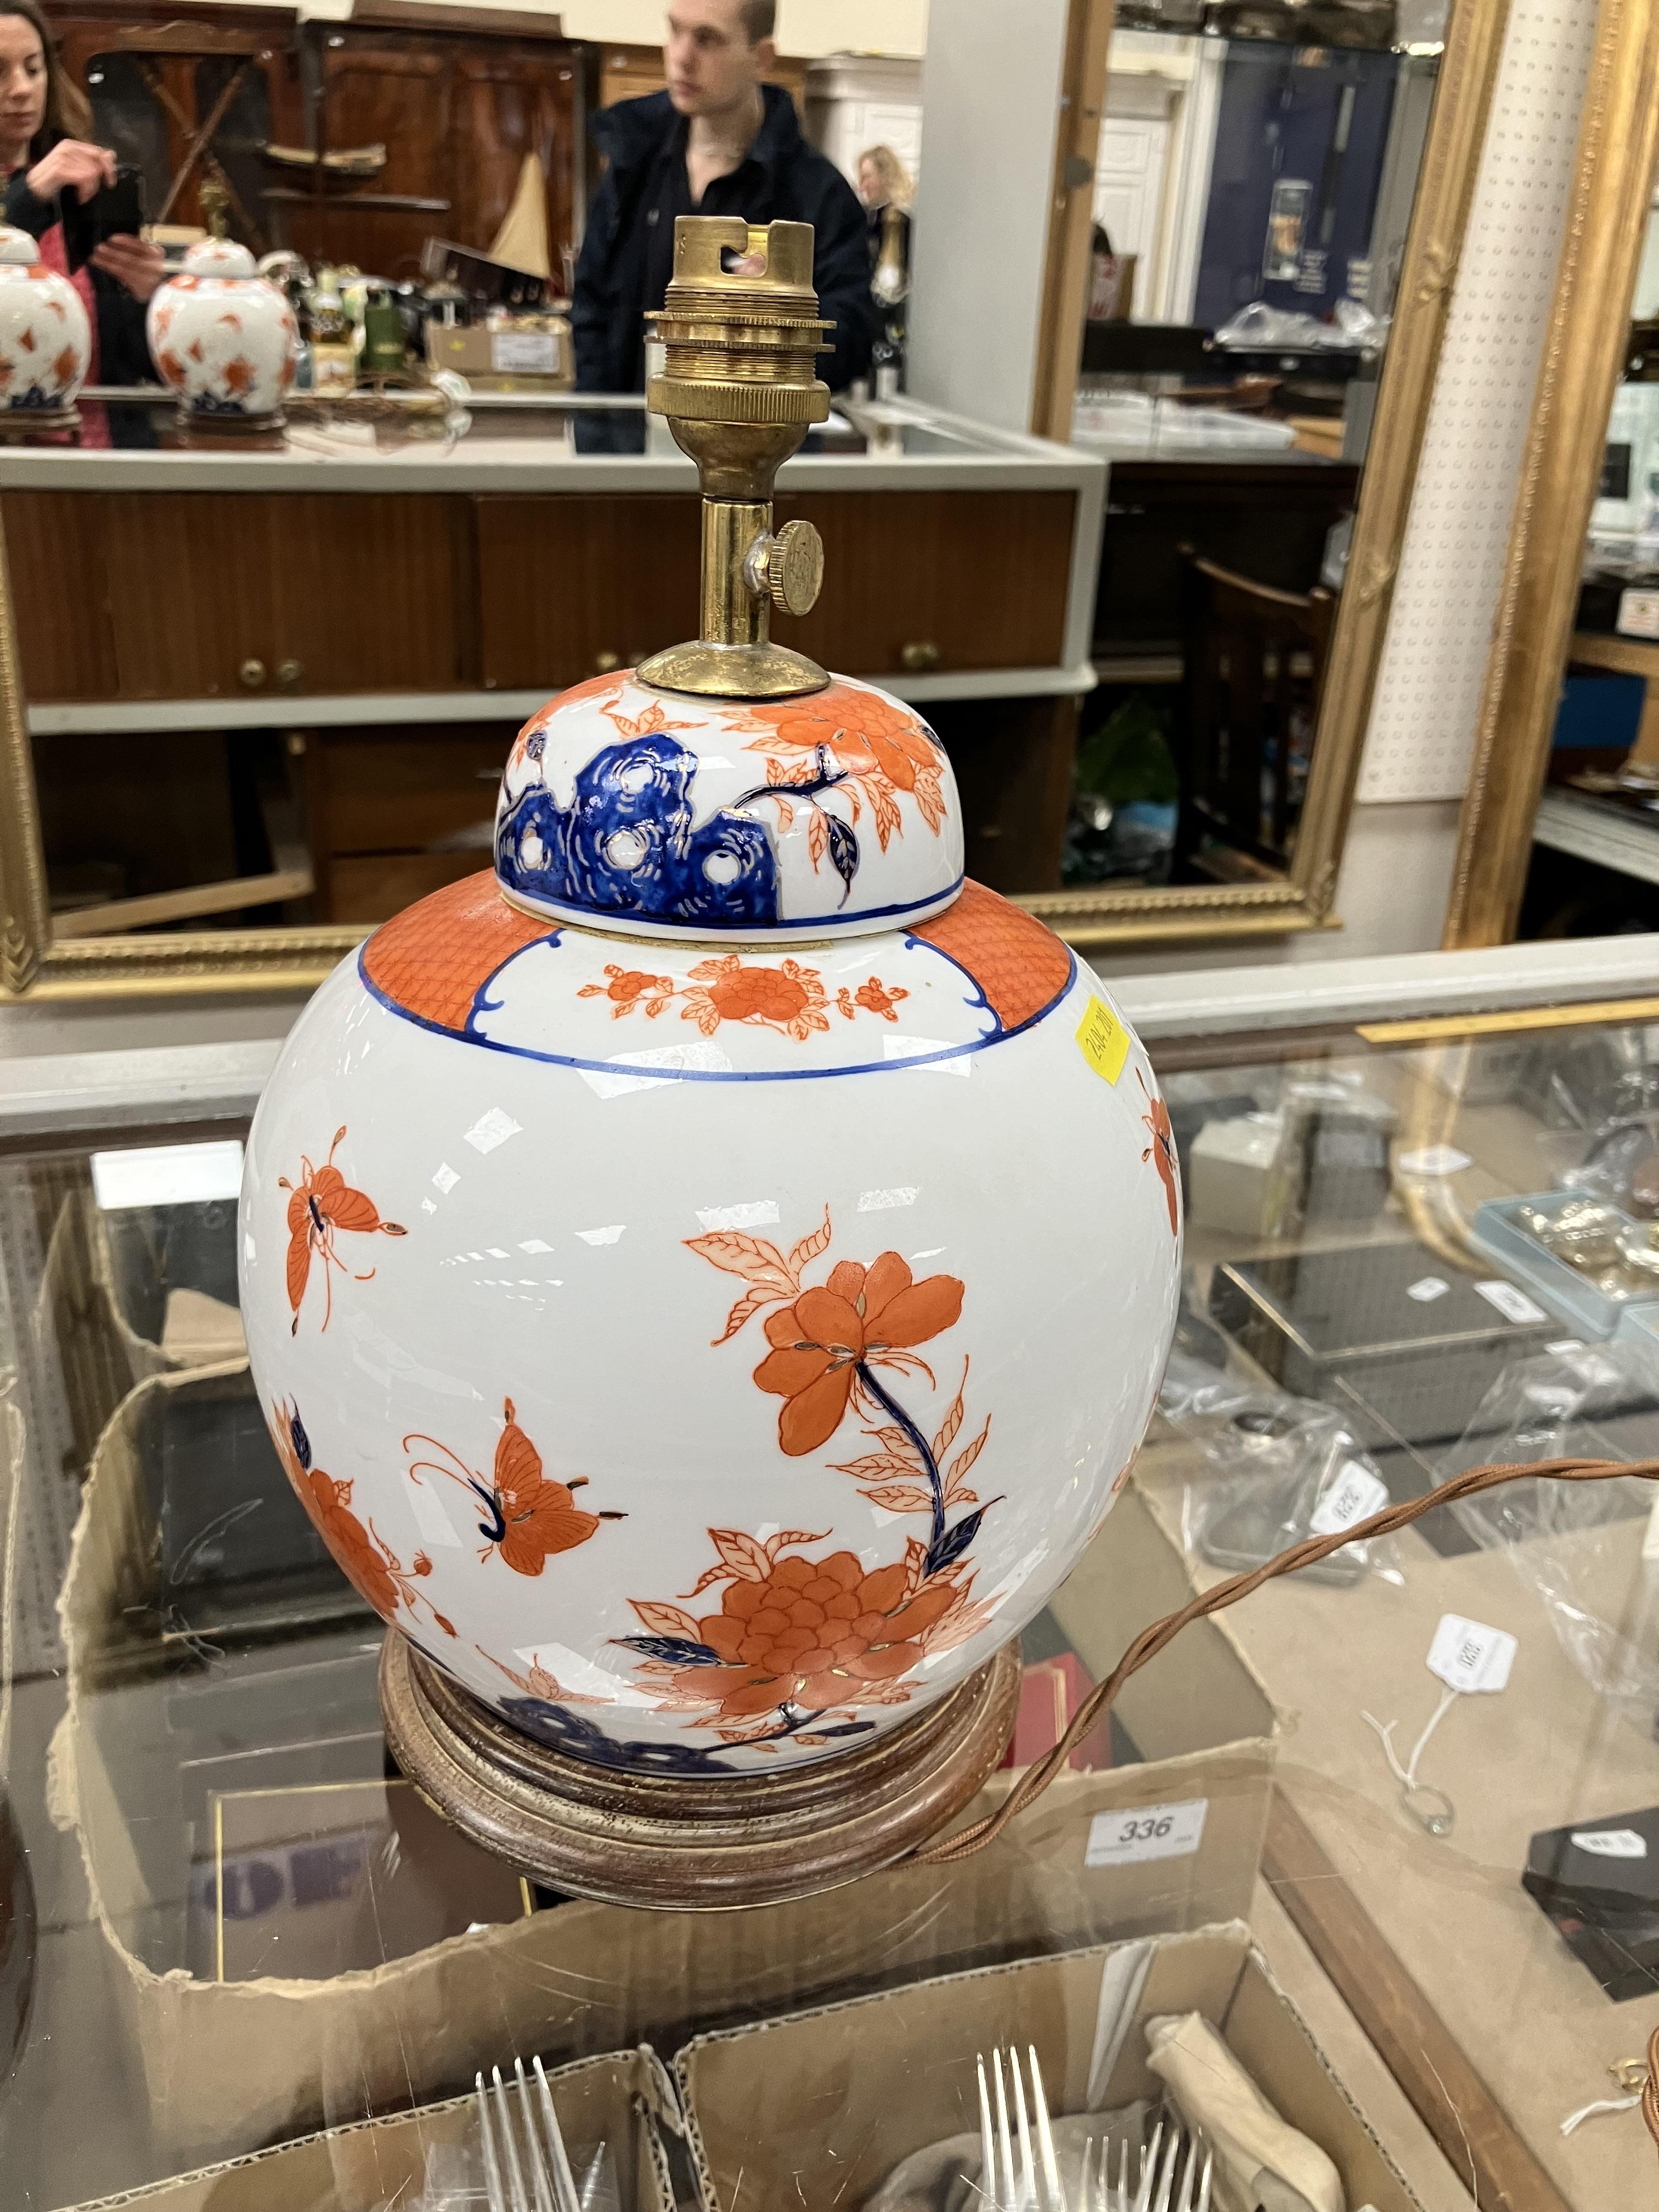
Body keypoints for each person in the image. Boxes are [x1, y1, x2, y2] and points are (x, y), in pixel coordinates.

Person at [573, 0, 876, 396]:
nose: (681, 57)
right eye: (675, 31)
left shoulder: (818, 194)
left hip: (754, 445)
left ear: (761, 58)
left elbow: (852, 340)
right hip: (629, 443)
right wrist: (600, 438)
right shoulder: (633, 161)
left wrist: (774, 314)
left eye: (707, 39)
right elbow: (590, 309)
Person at [0, 0, 162, 445]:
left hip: (108, 467)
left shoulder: (80, 188)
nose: (21, 89)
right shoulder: (42, 188)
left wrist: (150, 302)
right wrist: (28, 194)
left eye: (33, 69)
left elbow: (143, 368)